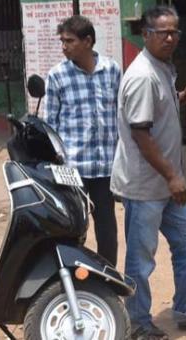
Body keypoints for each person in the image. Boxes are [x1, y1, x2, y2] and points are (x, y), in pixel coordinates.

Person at [111, 5, 186, 340]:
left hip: (166, 184)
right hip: (146, 185)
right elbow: (140, 134)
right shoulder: (142, 75)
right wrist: (173, 177)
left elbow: (155, 110)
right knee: (141, 258)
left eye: (175, 31)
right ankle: (138, 323)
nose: (170, 37)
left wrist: (179, 96)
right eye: (162, 32)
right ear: (145, 34)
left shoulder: (162, 68)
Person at [44, 15, 121, 266]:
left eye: (70, 41)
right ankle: (75, 281)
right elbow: (50, 126)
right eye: (62, 41)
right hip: (73, 170)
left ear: (87, 41)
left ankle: (107, 279)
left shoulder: (112, 70)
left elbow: (122, 114)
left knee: (107, 229)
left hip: (106, 168)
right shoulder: (57, 76)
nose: (64, 46)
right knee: (74, 228)